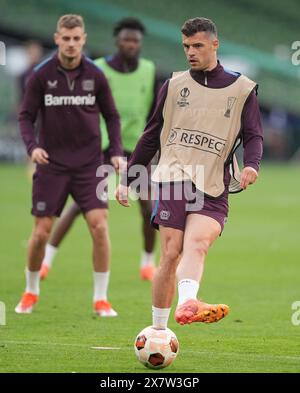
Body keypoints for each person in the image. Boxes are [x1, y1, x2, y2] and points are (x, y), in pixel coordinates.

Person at [116, 17, 263, 328]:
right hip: (173, 178)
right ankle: (158, 329)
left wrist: (252, 164)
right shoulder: (173, 86)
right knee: (171, 252)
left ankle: (186, 305)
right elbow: (151, 135)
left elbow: (253, 135)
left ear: (214, 44)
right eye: (186, 46)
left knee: (197, 245)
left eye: (197, 45)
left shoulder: (243, 89)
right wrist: (128, 179)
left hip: (214, 183)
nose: (191, 52)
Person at [16, 14, 124, 317]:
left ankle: (101, 299)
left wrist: (115, 151)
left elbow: (112, 116)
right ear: (57, 39)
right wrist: (32, 147)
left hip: (90, 164)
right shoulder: (40, 75)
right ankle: (31, 291)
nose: (72, 44)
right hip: (52, 164)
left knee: (99, 226)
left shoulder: (96, 75)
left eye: (77, 38)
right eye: (66, 38)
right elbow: (25, 116)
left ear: (84, 40)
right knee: (41, 233)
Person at [40, 18, 158, 282]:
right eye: (126, 39)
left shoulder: (149, 69)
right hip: (102, 146)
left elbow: (149, 108)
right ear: (117, 41)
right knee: (80, 206)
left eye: (136, 41)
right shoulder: (99, 68)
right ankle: (46, 259)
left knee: (148, 206)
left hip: (136, 148)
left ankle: (148, 264)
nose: (131, 44)